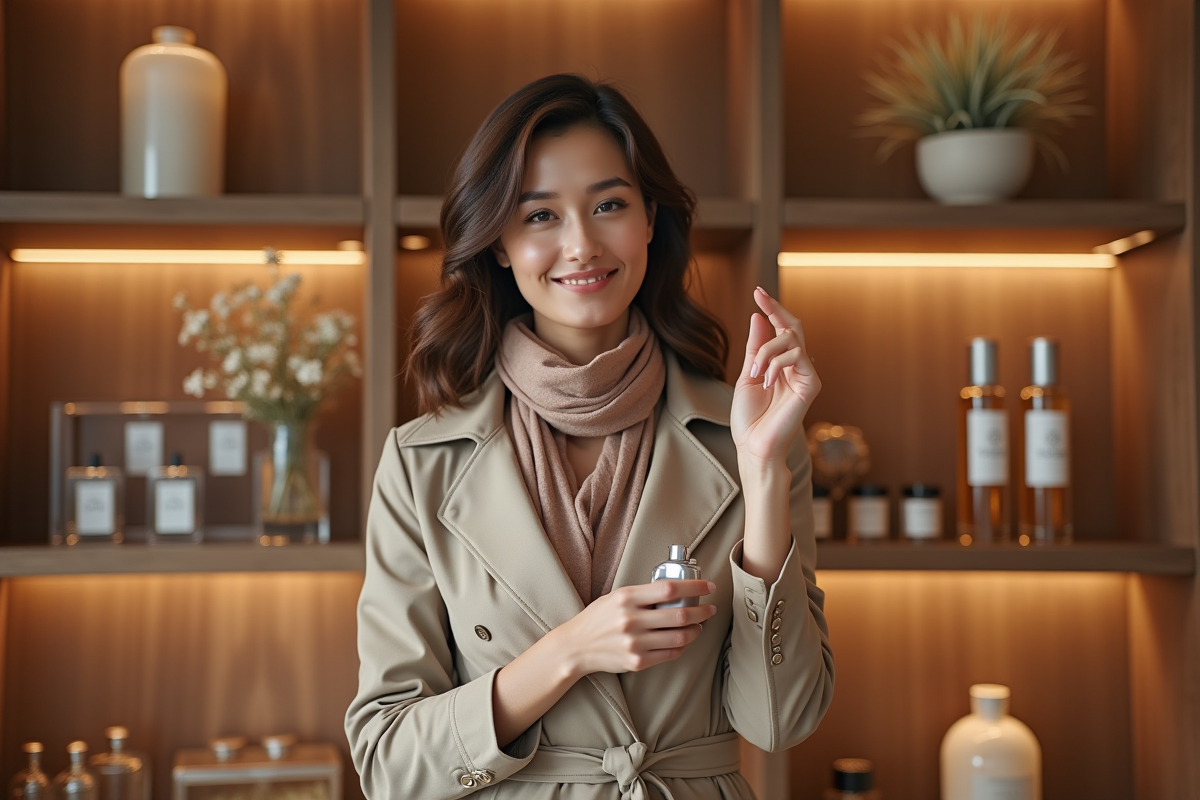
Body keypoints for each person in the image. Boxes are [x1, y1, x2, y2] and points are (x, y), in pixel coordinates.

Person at [345, 74, 834, 800]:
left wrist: (761, 469)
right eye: (540, 215)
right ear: (500, 243)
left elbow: (780, 723)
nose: (581, 244)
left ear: (649, 221)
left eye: (609, 205)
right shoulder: (420, 463)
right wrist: (568, 652)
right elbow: (388, 764)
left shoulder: (751, 435)